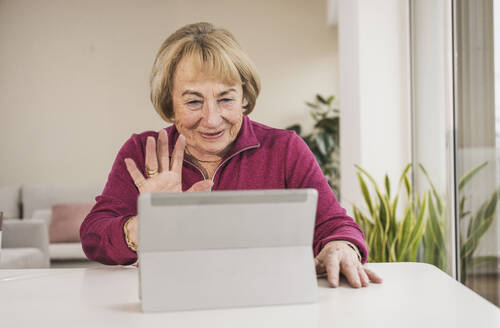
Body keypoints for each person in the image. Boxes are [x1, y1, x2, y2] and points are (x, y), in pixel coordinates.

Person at [80, 22, 382, 289]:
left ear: (245, 97)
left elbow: (335, 224)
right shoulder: (141, 151)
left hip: (264, 303)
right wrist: (143, 226)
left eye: (225, 99)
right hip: (173, 303)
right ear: (169, 104)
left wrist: (340, 247)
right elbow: (93, 237)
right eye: (194, 102)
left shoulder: (285, 149)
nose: (212, 119)